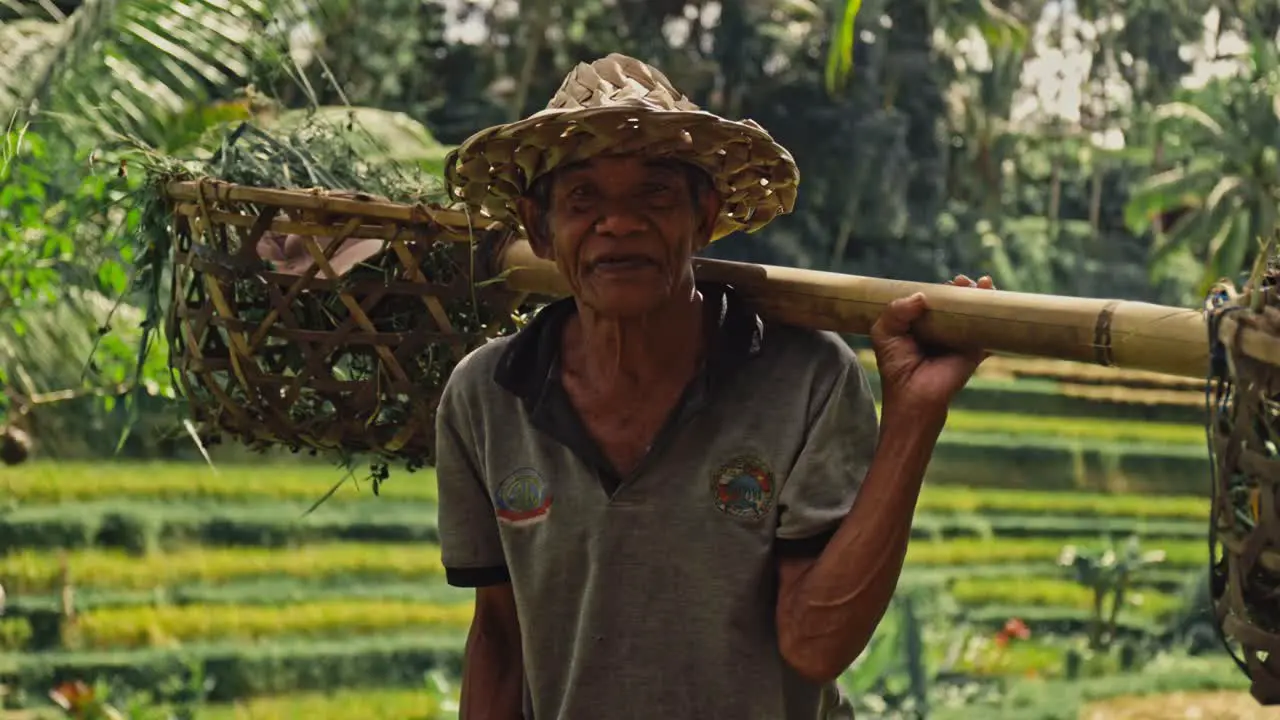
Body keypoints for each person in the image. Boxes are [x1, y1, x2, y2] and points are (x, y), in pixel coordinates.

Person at [435, 53, 995, 720]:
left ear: (703, 216)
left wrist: (915, 414)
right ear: (538, 227)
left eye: (655, 195)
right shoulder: (487, 396)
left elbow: (816, 647)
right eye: (583, 198)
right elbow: (499, 637)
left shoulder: (805, 382)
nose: (619, 222)